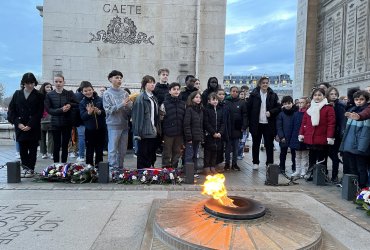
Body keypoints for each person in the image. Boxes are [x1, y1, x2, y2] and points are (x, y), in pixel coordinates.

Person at [7, 72, 44, 177]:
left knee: (33, 149)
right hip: (20, 126)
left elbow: (39, 112)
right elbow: (11, 111)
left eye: (32, 83)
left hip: (33, 126)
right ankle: (25, 168)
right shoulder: (17, 94)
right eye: (28, 83)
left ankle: (31, 169)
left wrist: (30, 124)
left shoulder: (39, 95)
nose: (30, 85)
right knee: (22, 149)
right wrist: (18, 123)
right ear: (23, 83)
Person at [299, 88, 335, 180]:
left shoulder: (328, 108)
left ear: (323, 96)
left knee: (322, 158)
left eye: (319, 95)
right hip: (311, 137)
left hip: (322, 137)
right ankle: (311, 173)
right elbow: (304, 123)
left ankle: (321, 175)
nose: (317, 97)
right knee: (312, 157)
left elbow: (331, 124)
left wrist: (329, 136)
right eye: (315, 95)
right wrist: (302, 134)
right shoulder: (310, 108)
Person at [247, 77, 281, 170]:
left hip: (268, 124)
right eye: (263, 83)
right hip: (256, 124)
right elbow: (248, 109)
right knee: (256, 144)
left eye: (266, 83)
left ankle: (269, 162)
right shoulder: (253, 95)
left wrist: (271, 112)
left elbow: (278, 108)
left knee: (269, 144)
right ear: (259, 84)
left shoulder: (273, 95)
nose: (265, 84)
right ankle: (255, 162)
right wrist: (249, 123)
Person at [103, 70, 132, 173]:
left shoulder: (124, 93)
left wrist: (130, 105)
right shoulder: (107, 93)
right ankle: (112, 169)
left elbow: (128, 111)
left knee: (123, 150)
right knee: (112, 149)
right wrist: (122, 104)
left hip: (124, 124)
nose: (119, 79)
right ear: (110, 79)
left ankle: (120, 167)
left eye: (120, 78)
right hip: (113, 125)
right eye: (116, 77)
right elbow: (108, 110)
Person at [45, 74, 79, 163]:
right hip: (55, 123)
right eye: (56, 81)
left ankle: (64, 164)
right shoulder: (49, 95)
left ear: (64, 82)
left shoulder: (69, 93)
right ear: (53, 82)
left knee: (65, 145)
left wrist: (70, 105)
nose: (58, 83)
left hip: (67, 123)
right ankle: (56, 164)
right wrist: (60, 110)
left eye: (60, 81)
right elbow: (49, 110)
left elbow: (77, 104)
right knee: (56, 145)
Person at [340, 90, 370, 188]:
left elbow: (365, 132)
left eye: (361, 99)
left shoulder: (366, 110)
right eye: (357, 99)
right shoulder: (352, 109)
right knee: (352, 168)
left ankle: (362, 187)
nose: (359, 101)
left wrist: (361, 148)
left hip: (360, 147)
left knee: (361, 168)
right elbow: (348, 131)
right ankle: (354, 187)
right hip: (350, 145)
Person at [132, 75, 160, 169]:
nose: (152, 84)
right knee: (143, 153)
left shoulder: (153, 97)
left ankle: (150, 171)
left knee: (151, 152)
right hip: (144, 130)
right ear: (144, 85)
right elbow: (138, 117)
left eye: (153, 82)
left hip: (153, 129)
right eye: (150, 82)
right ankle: (142, 173)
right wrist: (137, 132)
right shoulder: (141, 98)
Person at [79, 81, 106, 167]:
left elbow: (105, 113)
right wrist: (89, 113)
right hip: (89, 130)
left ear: (93, 89)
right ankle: (89, 167)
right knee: (89, 149)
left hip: (101, 129)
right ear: (82, 92)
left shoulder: (100, 100)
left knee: (99, 149)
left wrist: (99, 112)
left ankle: (99, 166)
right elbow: (83, 117)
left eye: (89, 90)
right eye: (85, 91)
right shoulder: (82, 103)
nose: (88, 92)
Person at [159, 82, 186, 168]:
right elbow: (161, 119)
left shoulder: (183, 104)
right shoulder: (164, 104)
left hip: (179, 133)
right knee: (167, 152)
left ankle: (174, 168)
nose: (176, 91)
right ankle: (165, 170)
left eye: (178, 89)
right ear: (170, 91)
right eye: (174, 89)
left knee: (177, 152)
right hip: (168, 133)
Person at [224, 86, 248, 171]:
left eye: (236, 92)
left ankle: (234, 164)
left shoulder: (242, 103)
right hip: (227, 128)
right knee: (227, 147)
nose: (235, 93)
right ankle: (227, 163)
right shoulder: (226, 102)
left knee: (236, 147)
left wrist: (244, 126)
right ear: (230, 92)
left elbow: (245, 115)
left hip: (237, 128)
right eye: (233, 91)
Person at [326, 87, 346, 182]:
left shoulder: (340, 106)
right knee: (326, 154)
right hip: (325, 133)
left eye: (335, 94)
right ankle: (324, 173)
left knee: (333, 155)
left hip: (336, 134)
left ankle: (334, 175)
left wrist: (340, 133)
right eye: (331, 94)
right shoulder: (325, 104)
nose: (334, 96)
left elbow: (342, 121)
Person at [203, 93, 224, 175]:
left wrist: (220, 132)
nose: (215, 101)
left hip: (218, 135)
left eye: (216, 100)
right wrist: (213, 133)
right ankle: (206, 167)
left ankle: (213, 166)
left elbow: (223, 123)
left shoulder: (220, 110)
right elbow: (206, 123)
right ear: (209, 101)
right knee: (208, 152)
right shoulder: (206, 110)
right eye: (213, 99)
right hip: (210, 134)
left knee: (215, 151)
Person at [276, 96, 297, 174]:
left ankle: (294, 167)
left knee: (294, 154)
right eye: (285, 104)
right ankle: (282, 167)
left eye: (289, 103)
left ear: (292, 103)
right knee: (283, 153)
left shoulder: (295, 113)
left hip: (293, 137)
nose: (287, 105)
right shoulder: (281, 114)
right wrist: (281, 136)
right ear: (282, 105)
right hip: (284, 137)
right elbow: (279, 126)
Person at [183, 91, 203, 175]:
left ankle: (193, 171)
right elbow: (186, 124)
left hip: (197, 137)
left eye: (199, 97)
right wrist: (189, 138)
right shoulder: (189, 109)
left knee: (195, 155)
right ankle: (188, 173)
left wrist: (201, 137)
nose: (198, 99)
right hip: (191, 138)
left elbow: (201, 125)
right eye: (196, 97)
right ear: (192, 99)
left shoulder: (201, 110)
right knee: (189, 155)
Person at [290, 97, 310, 177]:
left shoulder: (308, 113)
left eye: (302, 102)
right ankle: (297, 170)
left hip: (305, 136)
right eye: (299, 103)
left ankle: (304, 170)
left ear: (307, 104)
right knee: (297, 155)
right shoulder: (295, 114)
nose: (300, 104)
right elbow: (293, 125)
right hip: (296, 136)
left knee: (305, 155)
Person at [39, 82, 54, 159]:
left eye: (50, 87)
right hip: (42, 119)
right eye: (47, 87)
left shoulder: (53, 96)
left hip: (51, 119)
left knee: (51, 137)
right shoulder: (40, 97)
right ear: (43, 88)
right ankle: (43, 153)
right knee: (42, 137)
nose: (49, 88)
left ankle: (51, 152)